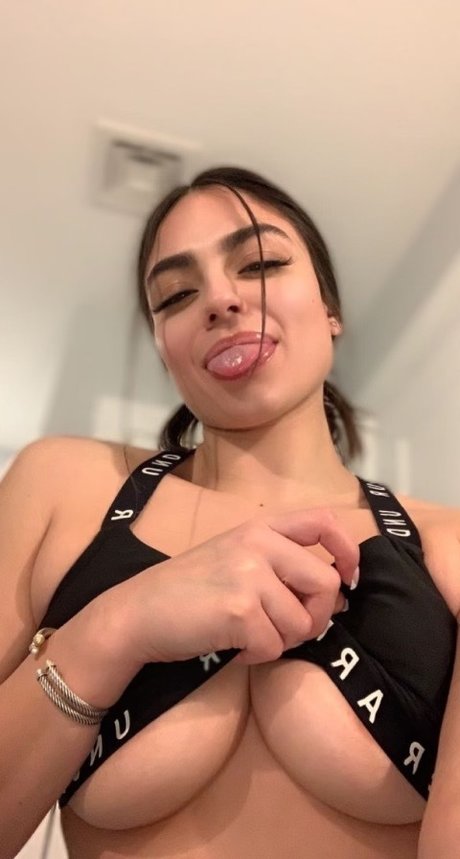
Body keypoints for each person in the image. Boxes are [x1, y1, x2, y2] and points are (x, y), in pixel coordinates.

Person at [0, 167, 459, 859]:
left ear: (331, 309)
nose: (220, 299)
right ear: (164, 349)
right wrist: (116, 627)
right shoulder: (60, 486)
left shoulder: (449, 544)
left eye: (261, 263)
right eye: (177, 295)